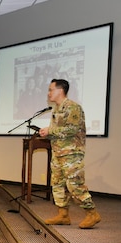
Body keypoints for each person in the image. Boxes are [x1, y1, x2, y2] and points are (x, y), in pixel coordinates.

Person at [39, 78, 101, 229]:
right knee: (58, 184)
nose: (48, 93)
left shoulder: (73, 107)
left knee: (74, 185)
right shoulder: (56, 109)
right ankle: (63, 215)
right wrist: (47, 133)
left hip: (72, 153)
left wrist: (50, 131)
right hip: (58, 152)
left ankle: (92, 213)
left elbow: (72, 130)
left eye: (50, 90)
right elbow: (59, 132)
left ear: (60, 90)